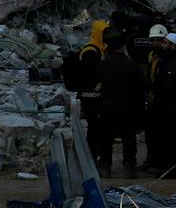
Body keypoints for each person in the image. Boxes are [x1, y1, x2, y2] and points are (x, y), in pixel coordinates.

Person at [95, 30, 146, 173]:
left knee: (106, 138)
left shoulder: (103, 65)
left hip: (106, 107)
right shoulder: (132, 65)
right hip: (127, 108)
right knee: (128, 138)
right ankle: (129, 165)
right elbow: (140, 89)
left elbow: (96, 87)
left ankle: (105, 165)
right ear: (123, 47)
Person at [62, 20, 110, 163]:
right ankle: (91, 158)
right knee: (95, 127)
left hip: (92, 95)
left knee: (97, 127)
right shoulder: (91, 51)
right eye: (105, 33)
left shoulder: (98, 49)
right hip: (90, 95)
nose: (107, 36)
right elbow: (90, 77)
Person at [145, 31, 176, 173]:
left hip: (175, 109)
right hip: (167, 108)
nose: (162, 45)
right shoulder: (168, 60)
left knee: (174, 140)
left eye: (165, 43)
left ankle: (174, 170)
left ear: (173, 46)